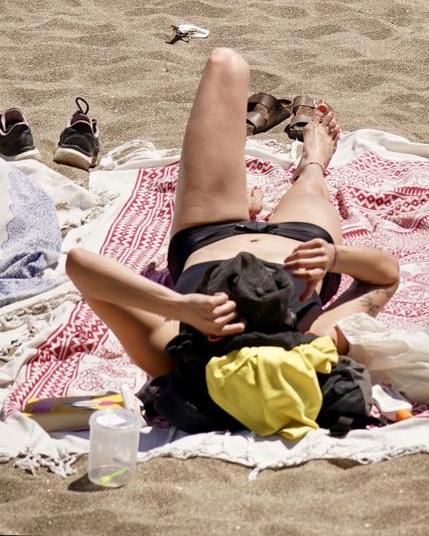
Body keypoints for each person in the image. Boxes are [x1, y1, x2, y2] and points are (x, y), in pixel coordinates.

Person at [64, 50, 401, 377]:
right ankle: (312, 162)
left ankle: (268, 169)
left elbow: (81, 266)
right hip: (302, 243)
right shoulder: (314, 344)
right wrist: (332, 257)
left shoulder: (178, 349)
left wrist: (177, 307)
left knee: (225, 64)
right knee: (310, 184)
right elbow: (385, 275)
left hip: (210, 233)